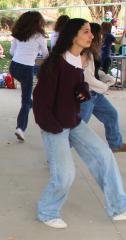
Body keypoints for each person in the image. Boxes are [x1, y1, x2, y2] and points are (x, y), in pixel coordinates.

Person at [33, 18, 126, 229]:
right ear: (73, 35)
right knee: (65, 174)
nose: (92, 35)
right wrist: (54, 128)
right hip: (55, 125)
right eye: (86, 32)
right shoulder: (56, 63)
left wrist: (83, 88)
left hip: (74, 122)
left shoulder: (79, 60)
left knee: (105, 156)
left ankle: (119, 207)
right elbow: (39, 101)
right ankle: (47, 212)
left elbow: (76, 85)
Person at [80, 22, 126, 153]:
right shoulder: (84, 53)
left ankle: (116, 144)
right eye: (100, 34)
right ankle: (59, 153)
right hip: (86, 94)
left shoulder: (93, 51)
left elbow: (94, 72)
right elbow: (87, 78)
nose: (102, 37)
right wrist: (104, 86)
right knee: (78, 128)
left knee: (111, 114)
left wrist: (106, 77)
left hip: (96, 94)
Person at [9, 11, 49, 141]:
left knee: (27, 101)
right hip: (27, 69)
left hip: (14, 67)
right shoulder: (40, 37)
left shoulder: (18, 34)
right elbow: (46, 55)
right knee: (25, 101)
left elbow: (12, 51)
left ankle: (31, 105)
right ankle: (20, 128)